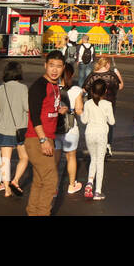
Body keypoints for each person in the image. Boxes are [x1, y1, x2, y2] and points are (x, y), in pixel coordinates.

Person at [24, 50, 69, 216]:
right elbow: (35, 116)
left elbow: (46, 108)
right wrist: (43, 140)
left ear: (63, 67)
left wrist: (58, 110)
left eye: (58, 66)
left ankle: (33, 212)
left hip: (45, 137)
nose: (54, 70)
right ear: (45, 66)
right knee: (51, 181)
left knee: (39, 181)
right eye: (51, 66)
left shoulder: (54, 85)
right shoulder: (39, 86)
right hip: (37, 138)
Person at [0, 61, 29, 198]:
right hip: (20, 129)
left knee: (5, 160)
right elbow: (27, 107)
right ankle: (16, 180)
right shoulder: (23, 88)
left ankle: (7, 188)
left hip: (3, 128)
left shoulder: (1, 89)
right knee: (24, 157)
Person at [81, 78, 115, 200]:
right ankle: (97, 191)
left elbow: (84, 120)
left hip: (89, 133)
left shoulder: (88, 103)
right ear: (105, 91)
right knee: (100, 161)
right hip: (101, 134)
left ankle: (89, 183)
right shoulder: (107, 104)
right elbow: (112, 121)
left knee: (93, 159)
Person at [84, 56, 124, 147]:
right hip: (109, 102)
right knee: (109, 123)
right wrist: (119, 76)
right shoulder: (111, 75)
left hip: (95, 102)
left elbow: (84, 88)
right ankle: (107, 144)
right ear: (107, 64)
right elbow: (120, 86)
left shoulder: (92, 75)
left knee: (94, 122)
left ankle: (95, 142)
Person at [58, 63, 85, 196]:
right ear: (72, 75)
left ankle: (54, 187)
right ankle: (71, 184)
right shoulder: (76, 90)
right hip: (71, 128)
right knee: (71, 157)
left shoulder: (53, 88)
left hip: (55, 128)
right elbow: (79, 111)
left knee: (55, 159)